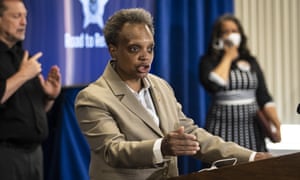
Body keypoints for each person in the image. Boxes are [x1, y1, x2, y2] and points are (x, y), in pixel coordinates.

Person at [75, 8, 271, 180]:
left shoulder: (161, 86)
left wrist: (252, 157)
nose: (145, 56)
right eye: (135, 49)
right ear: (113, 50)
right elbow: (113, 151)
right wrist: (162, 147)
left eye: (150, 48)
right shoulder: (93, 97)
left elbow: (191, 134)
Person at [199, 14, 281, 153]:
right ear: (218, 36)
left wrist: (276, 124)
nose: (231, 35)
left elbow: (263, 95)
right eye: (226, 32)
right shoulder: (208, 61)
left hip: (252, 129)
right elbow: (214, 84)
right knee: (223, 169)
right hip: (221, 127)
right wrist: (228, 56)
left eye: (234, 31)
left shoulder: (251, 61)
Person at [0, 0, 61, 180]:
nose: (24, 22)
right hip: (6, 157)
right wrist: (24, 75)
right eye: (17, 16)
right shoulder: (26, 68)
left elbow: (37, 110)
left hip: (35, 155)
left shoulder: (24, 57)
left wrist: (50, 97)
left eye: (25, 16)